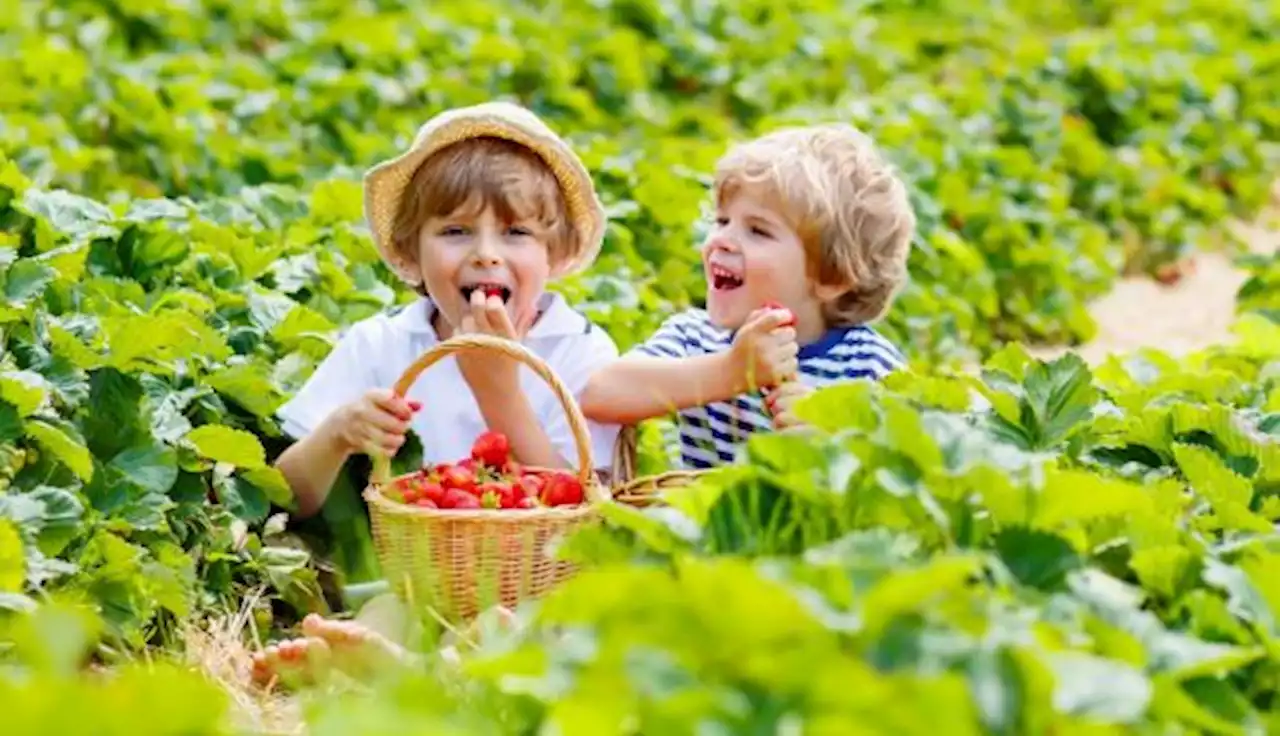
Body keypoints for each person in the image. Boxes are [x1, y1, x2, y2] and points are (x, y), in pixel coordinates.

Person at [252, 101, 618, 687]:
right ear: (410, 253)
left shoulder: (578, 351)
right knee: (383, 614)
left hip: (537, 591)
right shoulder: (383, 345)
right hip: (414, 582)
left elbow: (579, 513)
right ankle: (368, 664)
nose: (486, 253)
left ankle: (424, 676)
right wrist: (338, 434)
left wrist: (496, 386)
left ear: (555, 254)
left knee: (522, 629)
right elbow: (288, 497)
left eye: (517, 232)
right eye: (454, 231)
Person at [580, 123, 915, 468]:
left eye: (758, 231)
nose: (722, 239)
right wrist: (730, 372)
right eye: (722, 220)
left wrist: (832, 441)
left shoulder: (870, 367)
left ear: (833, 277)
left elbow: (904, 473)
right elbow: (599, 395)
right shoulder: (696, 339)